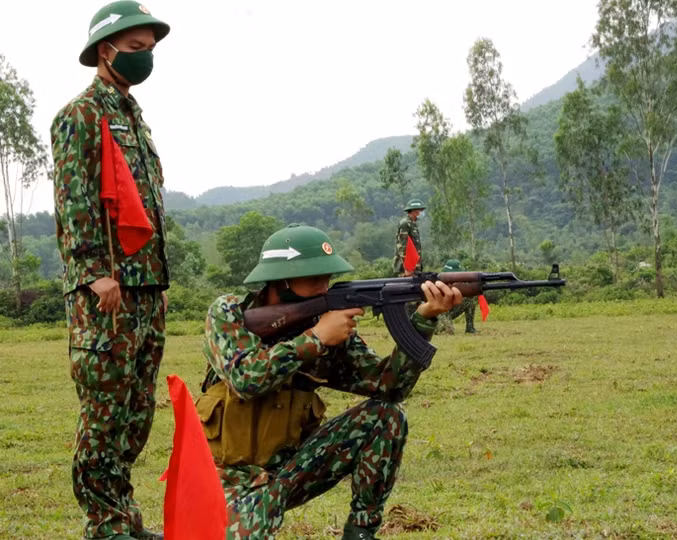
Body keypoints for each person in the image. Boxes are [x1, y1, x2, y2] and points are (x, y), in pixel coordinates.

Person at [196, 224, 461, 539]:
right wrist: (316, 338)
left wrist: (423, 320)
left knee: (385, 415)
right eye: (313, 278)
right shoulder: (230, 313)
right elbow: (245, 379)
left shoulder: (328, 325)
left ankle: (359, 533)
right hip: (229, 482)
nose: (324, 287)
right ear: (281, 280)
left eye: (327, 277)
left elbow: (390, 387)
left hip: (291, 473)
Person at [50, 2, 171, 538]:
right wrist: (95, 270)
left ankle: (122, 516)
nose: (147, 59)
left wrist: (158, 282)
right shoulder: (80, 115)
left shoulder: (132, 115)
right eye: (137, 49)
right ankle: (104, 523)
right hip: (107, 291)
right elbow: (74, 199)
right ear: (107, 50)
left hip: (144, 290)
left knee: (135, 412)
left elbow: (147, 207)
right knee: (103, 413)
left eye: (150, 50)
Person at [435, 259, 479, 335]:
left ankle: (470, 328)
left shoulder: (457, 283)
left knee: (470, 301)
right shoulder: (439, 283)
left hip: (449, 311)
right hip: (439, 313)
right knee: (447, 332)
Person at [393, 198, 426, 277]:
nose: (421, 212)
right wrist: (407, 268)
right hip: (408, 267)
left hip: (415, 265)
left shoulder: (413, 224)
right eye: (420, 210)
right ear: (414, 211)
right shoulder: (405, 224)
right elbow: (402, 246)